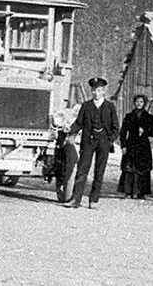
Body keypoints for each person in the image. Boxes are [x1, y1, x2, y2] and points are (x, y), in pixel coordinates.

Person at [65, 78, 120, 209]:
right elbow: (79, 123)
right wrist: (70, 130)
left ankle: (93, 200)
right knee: (82, 170)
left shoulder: (110, 106)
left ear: (104, 91)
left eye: (99, 90)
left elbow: (116, 127)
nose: (96, 93)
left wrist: (109, 140)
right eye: (94, 90)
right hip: (88, 141)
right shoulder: (86, 106)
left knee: (99, 172)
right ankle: (75, 199)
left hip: (103, 142)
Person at [118, 94, 153, 200]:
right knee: (129, 169)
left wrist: (146, 130)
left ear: (144, 103)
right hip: (131, 145)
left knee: (143, 170)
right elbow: (123, 132)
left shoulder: (149, 117)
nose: (139, 104)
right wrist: (123, 146)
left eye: (141, 102)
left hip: (143, 147)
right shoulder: (129, 116)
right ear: (134, 103)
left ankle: (141, 192)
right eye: (137, 102)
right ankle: (127, 192)